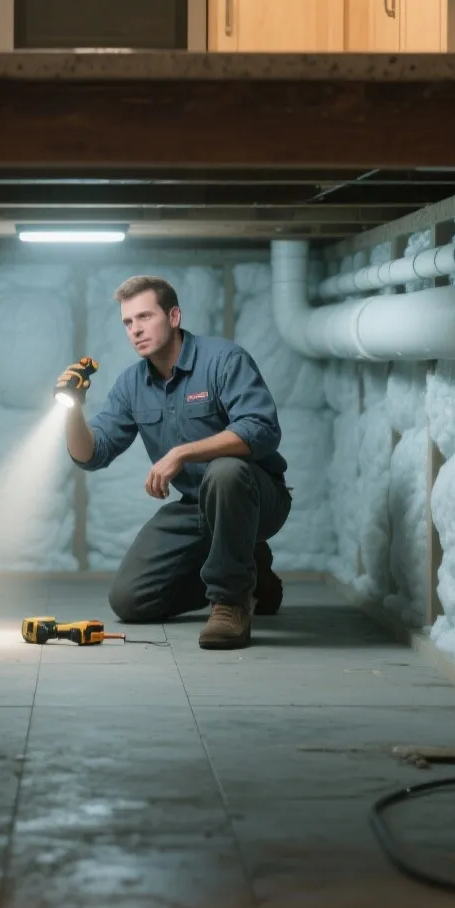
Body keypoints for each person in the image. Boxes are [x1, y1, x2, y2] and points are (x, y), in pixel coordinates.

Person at [61, 275, 291, 650]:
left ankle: (230, 604)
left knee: (225, 470)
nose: (135, 330)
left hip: (256, 496)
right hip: (197, 505)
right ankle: (251, 570)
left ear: (173, 316)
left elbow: (262, 429)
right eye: (128, 322)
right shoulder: (131, 384)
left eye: (145, 317)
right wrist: (74, 410)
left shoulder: (223, 360)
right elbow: (93, 454)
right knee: (131, 600)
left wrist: (182, 452)